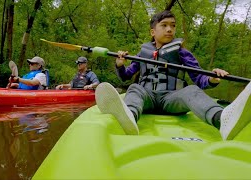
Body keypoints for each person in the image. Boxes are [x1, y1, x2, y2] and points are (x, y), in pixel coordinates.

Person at [95, 10, 251, 140]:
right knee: (135, 87)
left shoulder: (182, 52)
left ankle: (221, 119)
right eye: (164, 25)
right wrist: (120, 65)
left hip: (171, 100)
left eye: (173, 26)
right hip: (147, 97)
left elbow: (199, 79)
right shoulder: (142, 53)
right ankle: (130, 116)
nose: (169, 29)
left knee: (191, 90)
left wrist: (212, 78)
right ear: (153, 32)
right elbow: (125, 77)